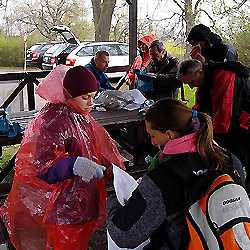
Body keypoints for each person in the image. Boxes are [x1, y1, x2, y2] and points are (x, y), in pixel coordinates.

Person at [0, 65, 125, 249]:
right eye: (85, 97)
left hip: (83, 199)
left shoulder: (81, 115)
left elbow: (93, 151)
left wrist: (115, 174)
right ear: (69, 94)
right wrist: (73, 165)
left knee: (78, 241)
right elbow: (42, 168)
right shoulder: (52, 121)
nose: (91, 103)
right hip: (64, 207)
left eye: (93, 96)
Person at [106, 98, 244, 249]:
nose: (152, 142)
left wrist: (112, 200)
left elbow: (124, 235)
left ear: (169, 135)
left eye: (152, 136)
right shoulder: (229, 159)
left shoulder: (164, 177)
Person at [177, 59, 250, 189]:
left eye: (191, 82)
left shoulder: (224, 77)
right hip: (232, 126)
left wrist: (205, 137)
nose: (191, 87)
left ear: (200, 72)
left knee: (236, 161)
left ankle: (239, 193)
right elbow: (199, 109)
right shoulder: (203, 84)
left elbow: (224, 118)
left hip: (244, 124)